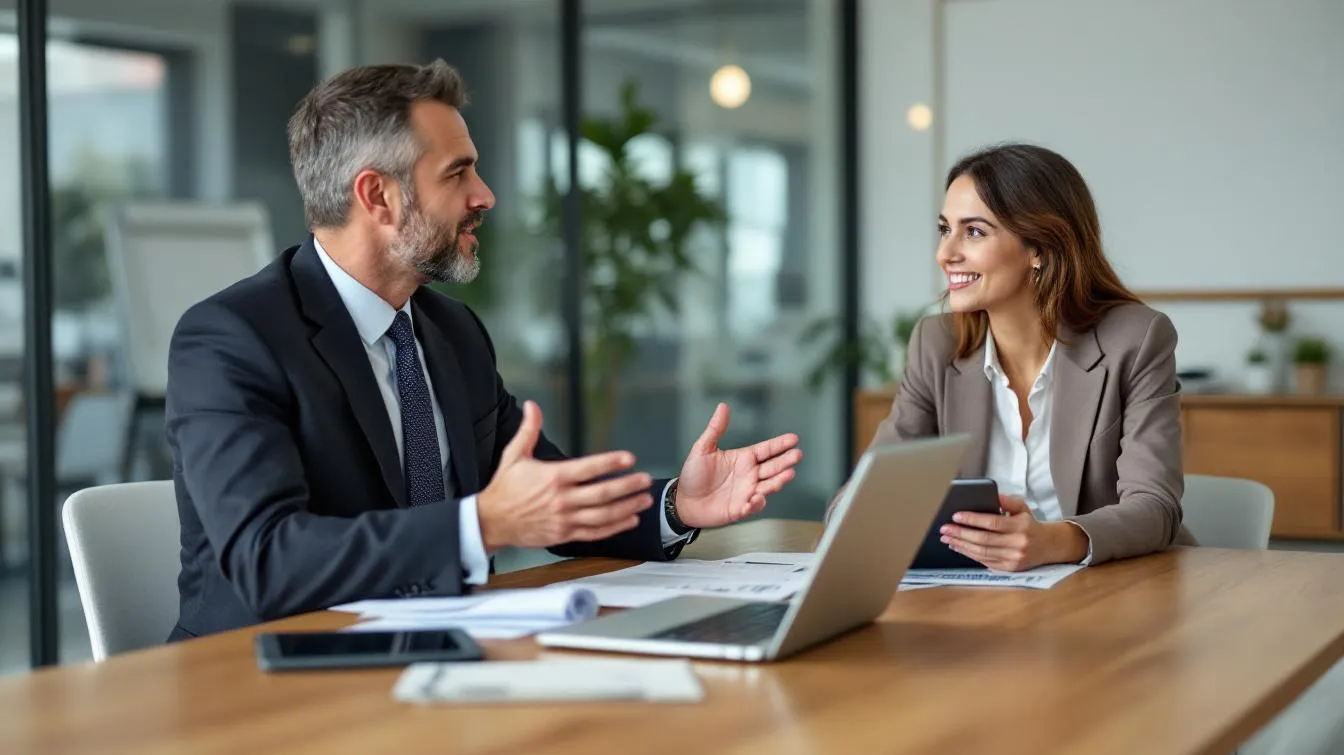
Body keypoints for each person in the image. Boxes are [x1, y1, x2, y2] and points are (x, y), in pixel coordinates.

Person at [164, 60, 803, 640]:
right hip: (268, 688)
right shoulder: (231, 340)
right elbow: (266, 561)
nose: (485, 196)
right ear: (376, 196)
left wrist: (676, 505)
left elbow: (549, 495)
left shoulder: (450, 333)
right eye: (458, 173)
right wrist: (481, 526)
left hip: (437, 659)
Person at [838, 142, 1192, 569]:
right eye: (944, 229)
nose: (945, 254)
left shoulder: (1134, 340)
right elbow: (856, 502)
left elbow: (1155, 508)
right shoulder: (936, 344)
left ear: (1039, 248)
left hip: (1111, 591)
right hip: (978, 597)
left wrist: (1054, 541)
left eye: (974, 231)